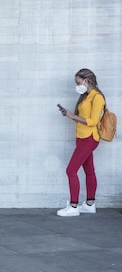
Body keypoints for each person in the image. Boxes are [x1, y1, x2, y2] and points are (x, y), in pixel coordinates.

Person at [57, 68, 105, 217]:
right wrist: (70, 115)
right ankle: (90, 204)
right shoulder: (86, 96)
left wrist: (72, 116)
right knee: (89, 171)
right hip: (82, 137)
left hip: (89, 138)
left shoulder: (97, 97)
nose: (77, 85)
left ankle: (73, 206)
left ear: (86, 80)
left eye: (78, 82)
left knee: (71, 170)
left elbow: (93, 121)